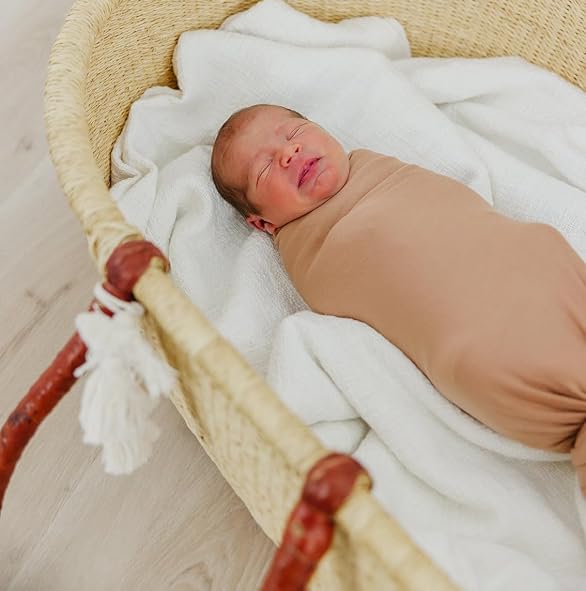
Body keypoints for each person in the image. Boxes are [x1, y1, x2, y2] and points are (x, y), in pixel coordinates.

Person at [211, 103, 586, 492]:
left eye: (294, 134)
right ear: (263, 223)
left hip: (529, 265)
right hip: (481, 343)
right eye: (265, 168)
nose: (288, 153)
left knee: (540, 253)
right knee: (493, 352)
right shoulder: (308, 244)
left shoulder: (377, 169)